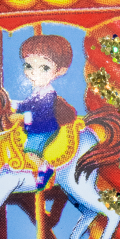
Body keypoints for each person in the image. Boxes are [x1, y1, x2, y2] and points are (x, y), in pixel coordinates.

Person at [15, 34, 74, 189]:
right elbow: (27, 105)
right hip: (33, 127)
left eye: (44, 68)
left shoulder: (48, 94)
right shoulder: (36, 91)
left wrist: (22, 111)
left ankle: (44, 169)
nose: (33, 73)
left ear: (60, 71)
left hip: (43, 128)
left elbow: (37, 110)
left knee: (29, 152)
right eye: (28, 66)